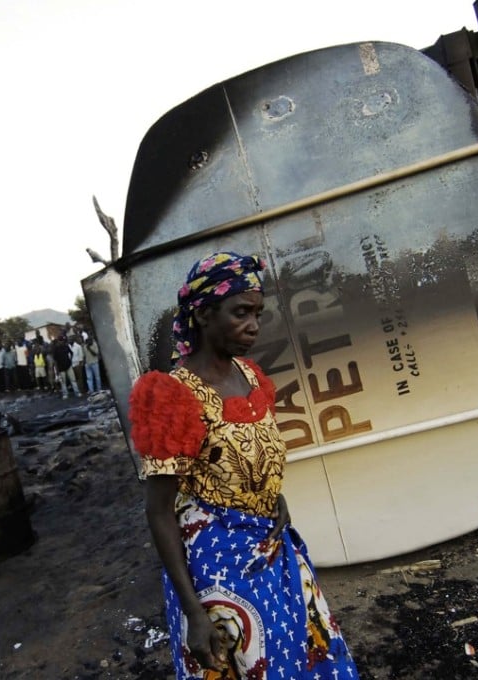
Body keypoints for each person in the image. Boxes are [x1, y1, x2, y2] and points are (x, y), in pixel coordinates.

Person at [128, 252, 359, 679]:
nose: (254, 324)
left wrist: (275, 495)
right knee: (250, 661)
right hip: (218, 566)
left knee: (300, 652)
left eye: (258, 313)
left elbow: (254, 456)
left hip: (272, 547)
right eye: (240, 312)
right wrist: (193, 611)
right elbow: (158, 511)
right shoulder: (172, 395)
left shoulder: (251, 377)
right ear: (203, 314)